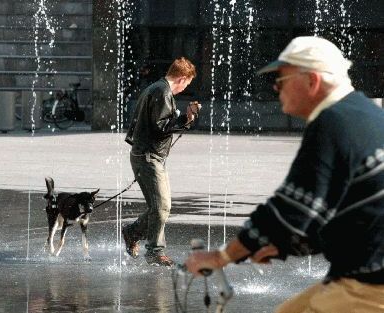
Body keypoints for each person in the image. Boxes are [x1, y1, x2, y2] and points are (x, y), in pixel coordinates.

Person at [184, 36, 384, 312]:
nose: (276, 89)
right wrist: (285, 244)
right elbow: (336, 209)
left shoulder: (332, 123)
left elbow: (290, 210)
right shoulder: (364, 113)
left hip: (369, 286)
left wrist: (220, 257)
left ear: (312, 80)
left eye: (281, 80)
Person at [123, 57, 201, 266]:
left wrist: (183, 119)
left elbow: (158, 124)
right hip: (148, 157)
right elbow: (161, 127)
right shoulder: (162, 91)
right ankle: (155, 251)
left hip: (147, 156)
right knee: (162, 206)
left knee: (158, 206)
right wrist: (186, 119)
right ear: (182, 78)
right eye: (187, 84)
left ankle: (132, 232)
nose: (184, 89)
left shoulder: (156, 88)